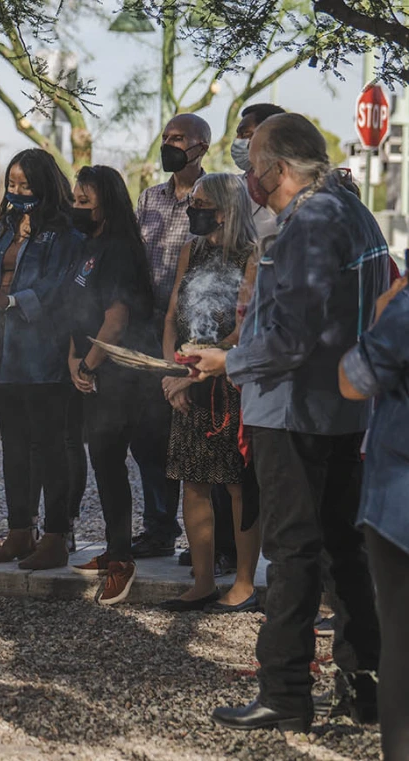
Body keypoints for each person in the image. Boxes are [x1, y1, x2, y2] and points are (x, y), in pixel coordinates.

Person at [197, 113, 386, 732]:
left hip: (293, 410)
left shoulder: (310, 222)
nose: (248, 178)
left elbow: (293, 335)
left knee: (295, 552)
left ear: (278, 168)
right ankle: (367, 688)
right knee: (341, 550)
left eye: (253, 165)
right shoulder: (353, 212)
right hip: (343, 409)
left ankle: (284, 693)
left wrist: (230, 360)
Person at [0, 148, 84, 570]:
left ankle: (54, 537)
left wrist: (9, 298)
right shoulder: (2, 229)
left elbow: (61, 290)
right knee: (13, 445)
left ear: (45, 186)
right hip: (1, 348)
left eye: (25, 186)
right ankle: (18, 531)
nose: (16, 193)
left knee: (50, 446)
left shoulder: (67, 234)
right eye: (11, 185)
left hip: (42, 352)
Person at [157, 173, 261, 613]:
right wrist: (170, 372)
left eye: (200, 204)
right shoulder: (190, 251)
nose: (191, 210)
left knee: (237, 485)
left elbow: (243, 331)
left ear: (225, 210)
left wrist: (194, 373)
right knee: (193, 483)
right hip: (186, 386)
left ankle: (243, 582)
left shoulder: (253, 257)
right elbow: (170, 318)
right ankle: (201, 582)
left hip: (229, 386)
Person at [65, 165, 164, 605]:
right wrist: (74, 358)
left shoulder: (121, 249)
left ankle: (123, 562)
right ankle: (113, 549)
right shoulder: (88, 246)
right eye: (75, 200)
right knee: (103, 464)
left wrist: (87, 364)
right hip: (92, 368)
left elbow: (117, 320)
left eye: (85, 201)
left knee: (113, 461)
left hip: (122, 375)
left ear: (107, 202)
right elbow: (79, 308)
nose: (76, 207)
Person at [131, 113, 212, 559]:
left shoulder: (214, 195)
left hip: (198, 333)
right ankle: (160, 527)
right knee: (149, 436)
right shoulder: (149, 199)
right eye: (165, 137)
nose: (169, 144)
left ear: (201, 145)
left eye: (177, 138)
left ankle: (210, 539)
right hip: (152, 331)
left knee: (199, 437)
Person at [339, 274, 409, 758]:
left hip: (400, 503)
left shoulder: (403, 313)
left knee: (401, 646)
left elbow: (352, 382)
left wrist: (381, 313)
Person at [231, 103, 286, 239]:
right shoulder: (230, 188)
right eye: (237, 134)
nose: (238, 141)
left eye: (245, 133)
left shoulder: (294, 190)